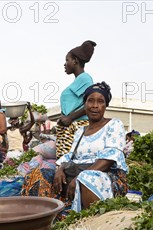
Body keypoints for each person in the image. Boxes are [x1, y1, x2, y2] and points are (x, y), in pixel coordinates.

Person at [23, 82, 128, 217]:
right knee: (37, 174)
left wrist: (80, 177)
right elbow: (70, 156)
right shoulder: (80, 131)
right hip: (78, 171)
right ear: (85, 105)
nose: (95, 105)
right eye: (90, 101)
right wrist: (60, 170)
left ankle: (89, 222)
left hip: (105, 175)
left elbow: (108, 159)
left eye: (100, 101)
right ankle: (42, 220)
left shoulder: (114, 124)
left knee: (87, 178)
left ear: (105, 105)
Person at [56, 40, 97, 159]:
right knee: (64, 162)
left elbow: (90, 103)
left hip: (76, 126)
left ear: (75, 61)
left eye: (67, 60)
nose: (65, 64)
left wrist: (70, 118)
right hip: (70, 125)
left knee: (68, 162)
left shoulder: (85, 79)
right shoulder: (79, 80)